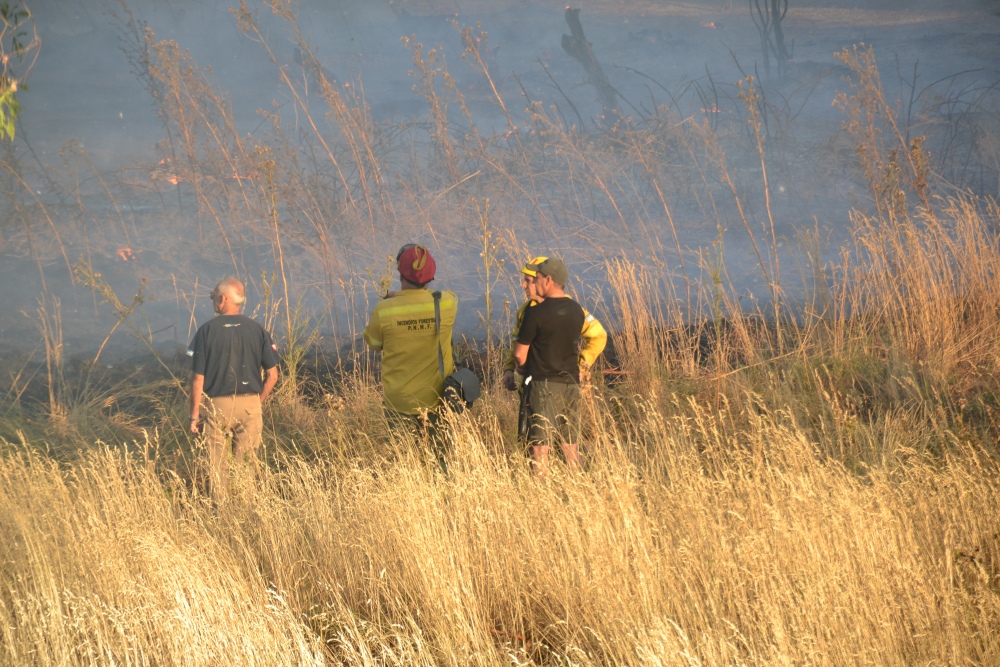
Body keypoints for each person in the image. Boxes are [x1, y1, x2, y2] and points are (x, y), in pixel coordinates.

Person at [363, 244, 457, 467]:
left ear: (400, 272)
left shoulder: (384, 309)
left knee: (405, 466)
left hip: (399, 400)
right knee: (441, 462)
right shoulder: (446, 303)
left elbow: (374, 343)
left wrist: (393, 297)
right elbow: (446, 294)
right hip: (437, 398)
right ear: (431, 275)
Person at [188, 277, 279, 499]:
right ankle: (245, 515)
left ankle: (222, 516)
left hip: (217, 407)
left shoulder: (206, 331)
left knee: (217, 470)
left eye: (213, 297)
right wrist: (257, 402)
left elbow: (197, 379)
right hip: (250, 406)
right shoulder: (257, 330)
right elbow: (273, 375)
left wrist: (194, 416)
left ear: (223, 298)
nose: (212, 301)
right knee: (247, 467)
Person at [512, 257, 588, 477]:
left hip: (543, 384)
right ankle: (578, 485)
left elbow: (519, 353)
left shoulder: (535, 313)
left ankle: (540, 494)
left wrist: (523, 370)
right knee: (570, 442)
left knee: (539, 446)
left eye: (537, 278)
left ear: (549, 280)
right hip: (571, 384)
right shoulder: (577, 310)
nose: (534, 282)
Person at [502, 255, 606, 392]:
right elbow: (517, 341)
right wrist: (509, 368)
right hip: (533, 387)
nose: (523, 286)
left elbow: (599, 335)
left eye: (528, 281)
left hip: (562, 387)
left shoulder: (572, 310)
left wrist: (582, 367)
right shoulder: (526, 310)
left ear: (544, 280)